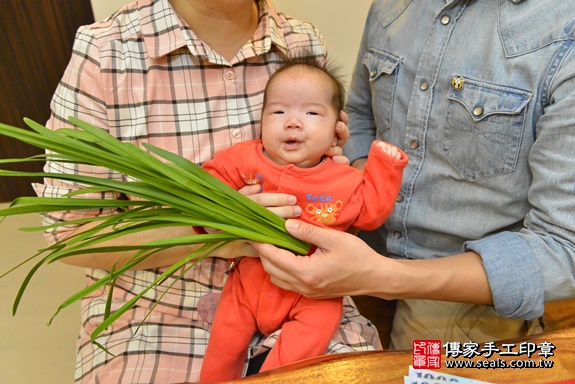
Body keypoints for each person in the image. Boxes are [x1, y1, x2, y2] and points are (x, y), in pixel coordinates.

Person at [34, 1, 382, 383]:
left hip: (300, 291)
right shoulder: (106, 52)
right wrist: (216, 229)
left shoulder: (302, 42)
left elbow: (333, 187)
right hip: (158, 304)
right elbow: (70, 235)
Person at [252, 0, 575, 351]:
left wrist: (379, 275)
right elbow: (360, 114)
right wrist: (359, 192)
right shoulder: (391, 8)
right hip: (345, 255)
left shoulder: (562, 30)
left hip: (457, 298)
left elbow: (563, 248)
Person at [198, 56, 407, 382]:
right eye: (278, 112)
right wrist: (224, 208)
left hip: (312, 293)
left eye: (311, 113)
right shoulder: (243, 159)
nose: (293, 122)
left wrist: (385, 167)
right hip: (247, 282)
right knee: (223, 345)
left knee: (310, 336)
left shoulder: (341, 178)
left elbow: (371, 211)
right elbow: (207, 182)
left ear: (336, 129)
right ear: (262, 120)